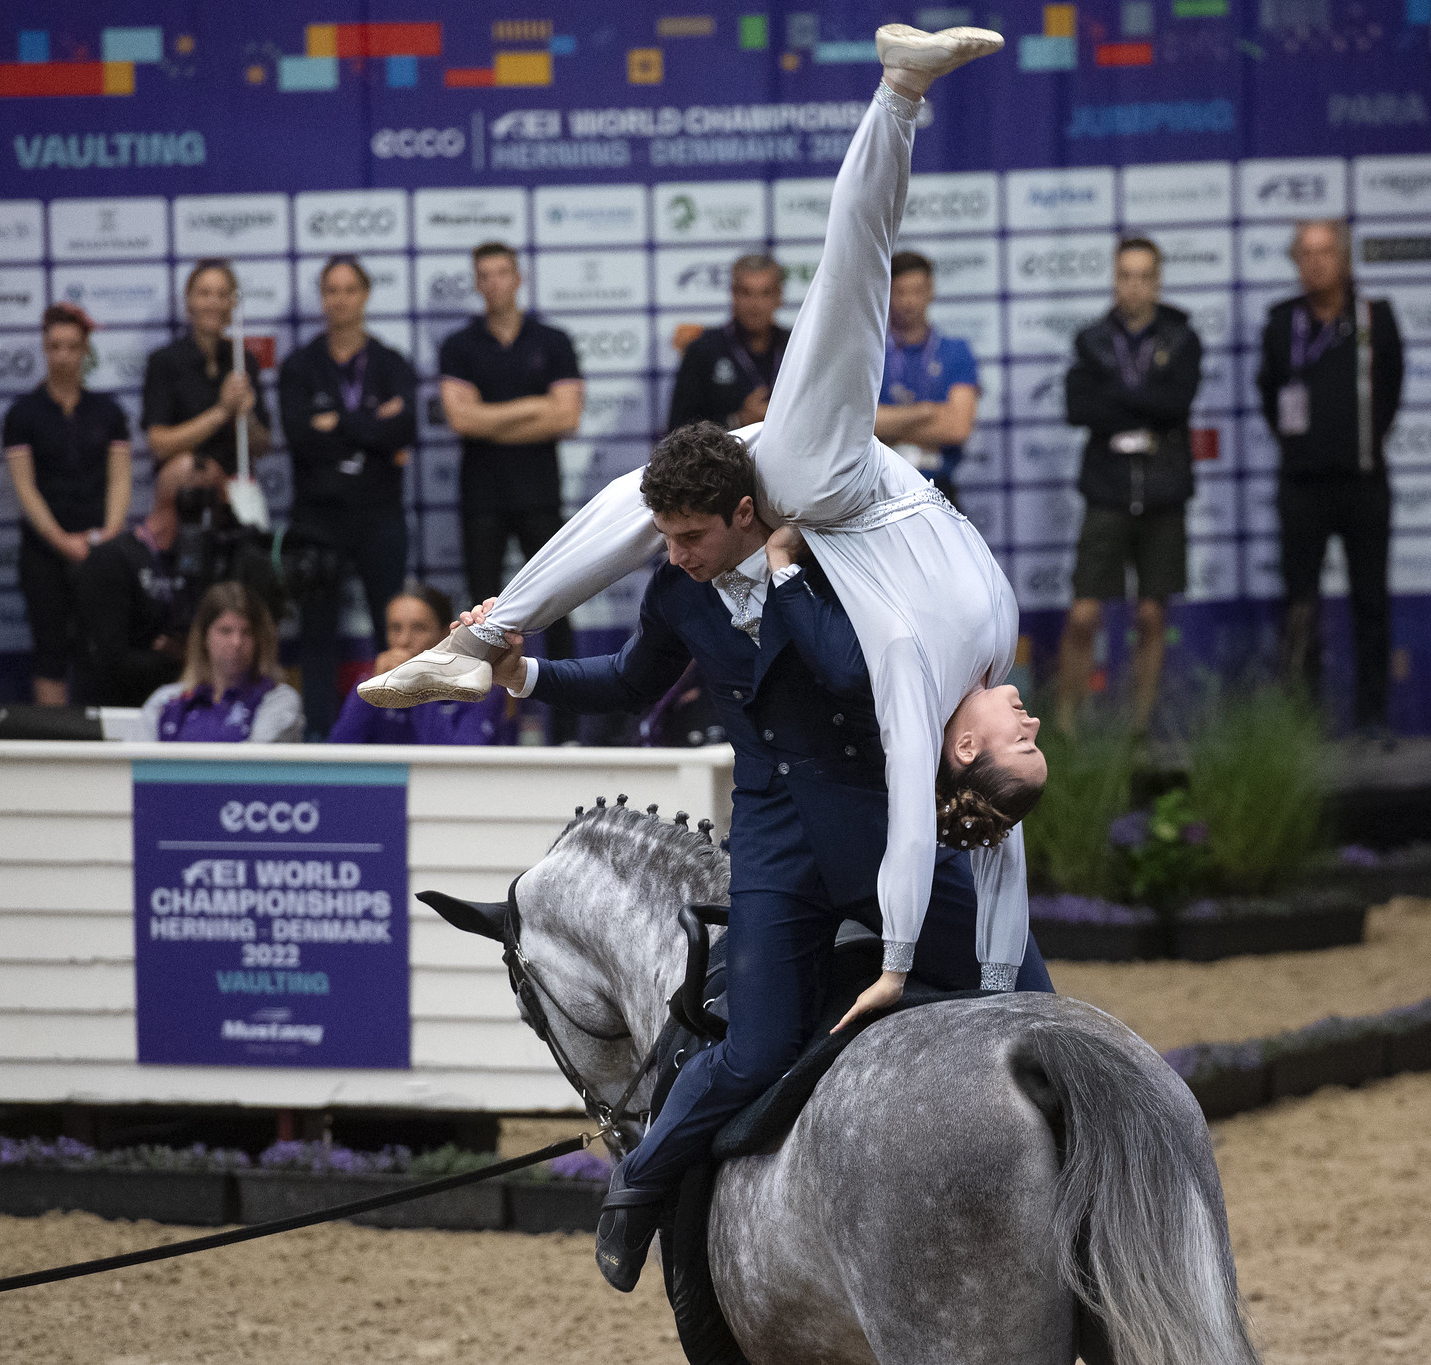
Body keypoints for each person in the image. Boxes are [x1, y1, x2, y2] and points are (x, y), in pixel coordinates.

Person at [370, 30, 1038, 1028]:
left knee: (848, 280)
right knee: (642, 504)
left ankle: (898, 92)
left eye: (1016, 745)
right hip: (828, 487)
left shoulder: (918, 672)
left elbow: (924, 826)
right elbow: (999, 837)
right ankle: (480, 641)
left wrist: (900, 961)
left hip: (828, 489)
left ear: (962, 750)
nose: (1031, 726)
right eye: (1031, 741)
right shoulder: (990, 659)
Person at [472, 406, 1052, 1294]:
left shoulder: (838, 557)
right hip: (776, 847)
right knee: (751, 1049)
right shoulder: (675, 589)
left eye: (689, 535)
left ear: (746, 513)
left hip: (882, 828)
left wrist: (784, 576)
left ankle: (1088, 1191)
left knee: (1033, 1003)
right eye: (661, 536)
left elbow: (858, 676)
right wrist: (525, 673)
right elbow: (631, 681)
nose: (672, 555)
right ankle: (637, 1182)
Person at [1256, 220, 1404, 738]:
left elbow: (1391, 391)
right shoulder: (1280, 323)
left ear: (1344, 259)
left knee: (1371, 601)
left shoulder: (1374, 317)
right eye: (1305, 253)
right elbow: (1269, 394)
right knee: (1301, 605)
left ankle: (1372, 717)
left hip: (1364, 482)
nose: (1315, 263)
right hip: (1302, 486)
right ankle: (1304, 720)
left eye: (1325, 253)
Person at [1054, 238, 1204, 735]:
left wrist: (1116, 394)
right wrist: (1144, 398)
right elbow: (1079, 409)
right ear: (1114, 280)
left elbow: (1175, 405)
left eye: (1144, 276)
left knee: (1151, 615)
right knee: (1082, 614)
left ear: (1158, 282)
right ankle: (1067, 723)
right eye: (1125, 275)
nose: (1134, 286)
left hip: (1163, 491)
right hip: (1108, 489)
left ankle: (1140, 727)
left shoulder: (1182, 338)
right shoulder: (1092, 340)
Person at [280, 256, 421, 739]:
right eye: (330, 290)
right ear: (322, 298)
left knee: (396, 634)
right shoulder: (299, 366)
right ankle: (321, 736)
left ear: (365, 295)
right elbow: (300, 437)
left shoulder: (390, 362)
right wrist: (370, 424)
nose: (339, 299)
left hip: (379, 514)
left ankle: (396, 731)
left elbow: (404, 430)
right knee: (317, 635)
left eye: (348, 289)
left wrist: (337, 423)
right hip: (317, 519)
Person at [437, 242, 584, 681]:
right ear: (477, 283)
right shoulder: (460, 345)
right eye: (486, 274)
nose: (495, 282)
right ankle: (490, 725)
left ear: (518, 278)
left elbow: (568, 416)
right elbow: (461, 419)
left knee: (557, 607)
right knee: (482, 618)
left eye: (503, 272)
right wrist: (536, 407)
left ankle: (567, 726)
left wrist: (491, 418)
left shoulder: (553, 341)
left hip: (539, 493)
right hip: (483, 496)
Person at [1, 304, 133, 706]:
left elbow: (120, 478)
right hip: (45, 550)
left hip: (100, 550)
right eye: (55, 347)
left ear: (85, 350)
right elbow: (25, 489)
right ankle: (55, 751)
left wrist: (107, 537)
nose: (63, 356)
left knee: (102, 652)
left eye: (72, 347)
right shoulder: (22, 414)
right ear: (44, 348)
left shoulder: (108, 412)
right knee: (51, 651)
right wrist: (61, 541)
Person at [72, 454, 221, 707]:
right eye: (216, 500)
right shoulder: (113, 560)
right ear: (187, 502)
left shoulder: (208, 560)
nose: (223, 512)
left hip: (189, 710)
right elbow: (110, 659)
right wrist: (180, 659)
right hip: (124, 714)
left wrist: (186, 654)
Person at [328, 584, 512, 745]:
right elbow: (335, 761)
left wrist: (422, 685)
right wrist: (368, 693)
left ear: (445, 635)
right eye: (395, 628)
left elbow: (459, 767)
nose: (404, 640)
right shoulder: (374, 681)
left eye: (419, 628)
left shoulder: (476, 686)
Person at [142, 259, 271, 477]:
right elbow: (159, 444)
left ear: (232, 304)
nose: (214, 303)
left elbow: (262, 448)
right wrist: (222, 411)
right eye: (204, 294)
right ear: (189, 301)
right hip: (184, 491)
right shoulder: (164, 362)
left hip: (235, 486)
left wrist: (247, 415)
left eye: (222, 295)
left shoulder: (244, 360)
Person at [872, 250, 979, 504]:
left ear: (931, 291)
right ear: (886, 293)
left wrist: (890, 427)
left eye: (917, 291)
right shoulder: (870, 354)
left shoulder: (956, 351)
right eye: (900, 292)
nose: (909, 302)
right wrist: (927, 412)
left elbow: (957, 428)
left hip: (940, 490)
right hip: (880, 491)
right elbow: (862, 427)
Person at [136, 581, 303, 743]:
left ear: (260, 640)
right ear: (203, 638)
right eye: (225, 631)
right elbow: (135, 765)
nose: (236, 642)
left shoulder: (278, 700)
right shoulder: (165, 701)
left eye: (247, 632)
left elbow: (253, 768)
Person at [666, 254, 789, 432]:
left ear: (779, 297)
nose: (755, 304)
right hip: (724, 459)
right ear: (733, 294)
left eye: (766, 293)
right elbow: (679, 429)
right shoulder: (703, 350)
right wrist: (738, 421)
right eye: (746, 293)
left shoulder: (796, 347)